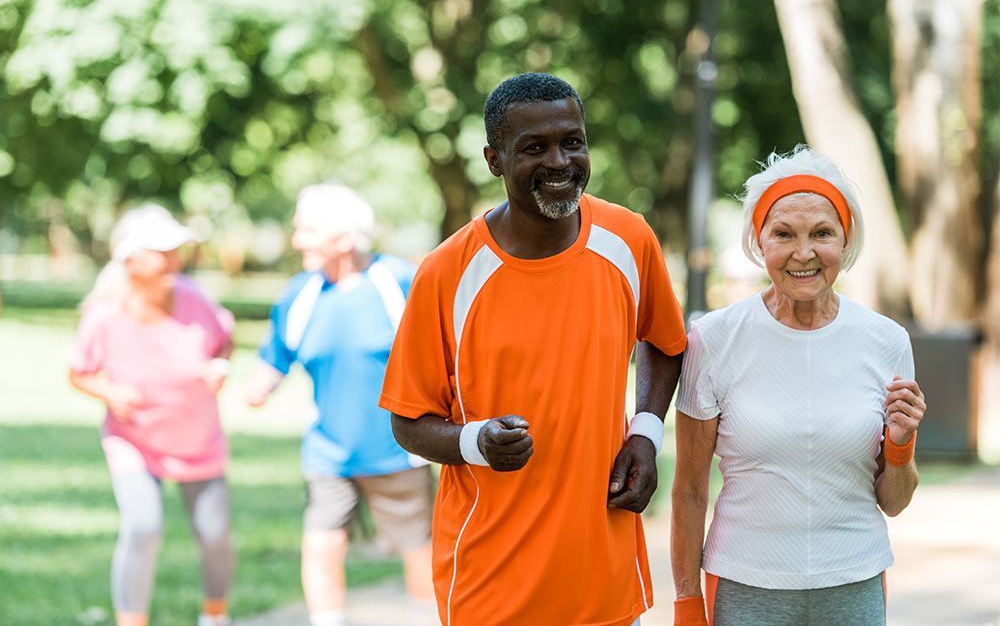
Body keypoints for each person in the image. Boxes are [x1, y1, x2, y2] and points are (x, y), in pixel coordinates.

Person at [379, 72, 687, 626]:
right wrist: (475, 442)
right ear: (494, 160)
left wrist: (645, 432)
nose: (560, 162)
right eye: (534, 148)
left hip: (605, 577)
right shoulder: (446, 272)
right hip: (491, 585)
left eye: (572, 141)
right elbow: (408, 420)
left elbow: (665, 343)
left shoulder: (629, 239)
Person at [670, 147, 928, 626]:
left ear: (845, 241)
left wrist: (900, 444)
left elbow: (894, 501)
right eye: (784, 234)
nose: (803, 253)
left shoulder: (887, 341)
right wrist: (686, 602)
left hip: (853, 582)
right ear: (759, 241)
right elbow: (688, 490)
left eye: (822, 234)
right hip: (745, 586)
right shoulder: (714, 339)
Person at [246, 183, 435, 626]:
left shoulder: (396, 282)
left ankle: (430, 618)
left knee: (421, 548)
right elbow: (276, 356)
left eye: (308, 230)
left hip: (397, 448)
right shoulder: (300, 294)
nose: (297, 241)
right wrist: (259, 388)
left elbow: (441, 346)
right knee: (321, 544)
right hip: (329, 452)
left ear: (346, 237)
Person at [69, 204, 235, 626]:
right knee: (143, 528)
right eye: (163, 252)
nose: (174, 261)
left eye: (176, 251)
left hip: (196, 436)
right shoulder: (104, 313)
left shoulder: (194, 298)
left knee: (214, 536)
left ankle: (215, 616)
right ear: (131, 259)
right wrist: (109, 391)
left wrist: (219, 364)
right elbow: (79, 372)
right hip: (134, 441)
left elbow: (223, 339)